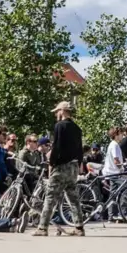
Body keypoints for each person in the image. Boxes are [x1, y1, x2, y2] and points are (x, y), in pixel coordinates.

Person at [33, 100, 85, 236]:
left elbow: (57, 146)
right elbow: (80, 149)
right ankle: (79, 227)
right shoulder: (77, 128)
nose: (56, 114)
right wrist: (79, 164)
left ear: (62, 111)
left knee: (50, 196)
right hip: (73, 166)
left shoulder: (59, 126)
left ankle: (42, 228)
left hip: (61, 167)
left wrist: (52, 163)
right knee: (73, 198)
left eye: (57, 111)